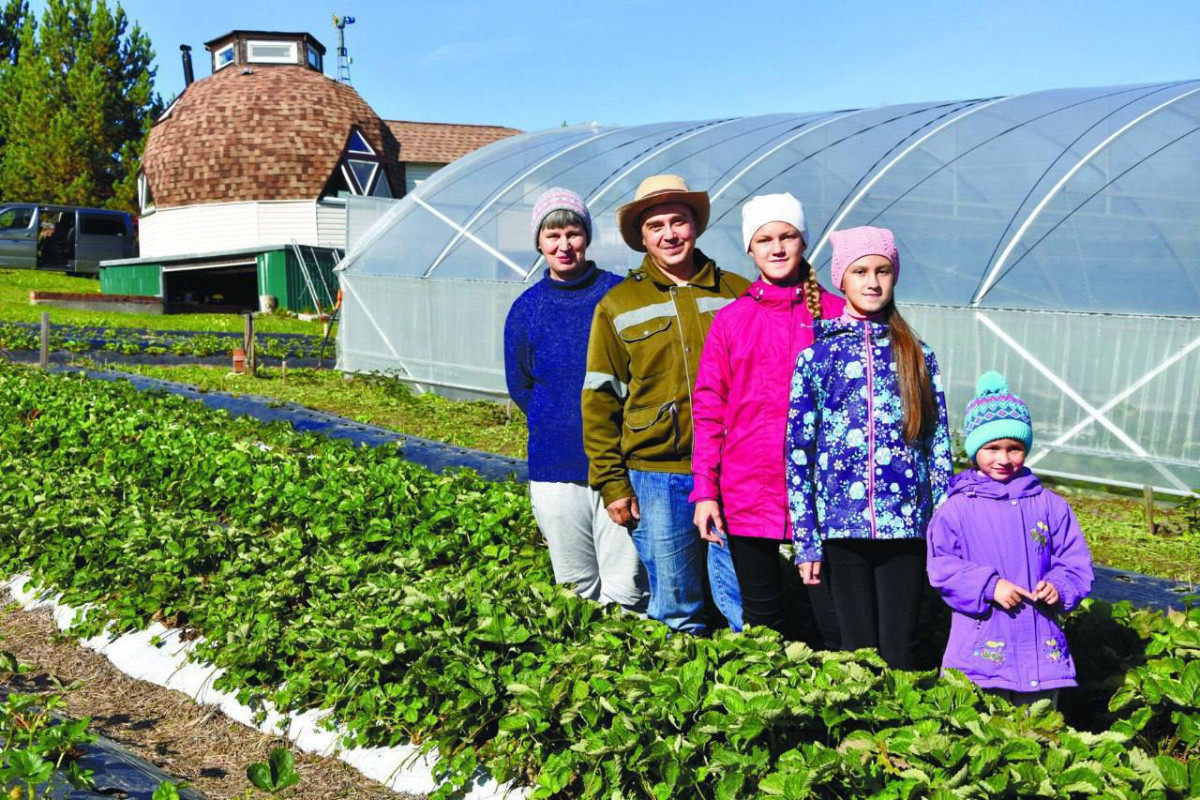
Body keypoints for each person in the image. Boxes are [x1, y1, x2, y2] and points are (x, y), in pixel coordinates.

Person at [582, 174, 749, 634]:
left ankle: (753, 682)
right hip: (658, 474)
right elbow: (600, 399)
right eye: (656, 226)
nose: (670, 234)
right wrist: (612, 483)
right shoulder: (618, 303)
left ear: (696, 226)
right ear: (642, 237)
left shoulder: (736, 293)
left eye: (679, 221)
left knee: (743, 596)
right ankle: (685, 688)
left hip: (732, 469)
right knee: (676, 601)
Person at [786, 225, 953, 668]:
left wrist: (942, 526)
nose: (873, 282)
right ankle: (857, 736)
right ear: (841, 279)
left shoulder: (918, 355)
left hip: (906, 529)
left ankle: (900, 730)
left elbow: (937, 447)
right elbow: (798, 454)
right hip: (841, 528)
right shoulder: (818, 357)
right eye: (860, 271)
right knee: (854, 651)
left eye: (883, 271)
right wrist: (806, 541)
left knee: (900, 651)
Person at [690, 193, 844, 641]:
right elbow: (709, 410)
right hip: (747, 487)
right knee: (763, 618)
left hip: (822, 492)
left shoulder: (836, 315)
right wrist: (706, 491)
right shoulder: (732, 320)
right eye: (765, 240)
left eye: (787, 237)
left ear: (803, 242)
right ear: (750, 250)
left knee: (830, 616)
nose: (777, 249)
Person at [504, 187, 647, 611]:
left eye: (573, 233)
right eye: (553, 237)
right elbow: (521, 385)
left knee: (628, 584)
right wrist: (560, 419)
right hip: (555, 464)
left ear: (586, 237)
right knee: (575, 585)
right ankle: (585, 662)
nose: (564, 246)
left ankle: (631, 666)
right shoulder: (527, 309)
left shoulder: (620, 296)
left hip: (621, 462)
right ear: (539, 244)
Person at [927, 372, 1094, 706]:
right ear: (974, 449)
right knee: (979, 734)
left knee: (1039, 731)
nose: (1003, 459)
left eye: (1014, 448)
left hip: (1040, 651)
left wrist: (1059, 584)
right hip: (980, 648)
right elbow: (942, 566)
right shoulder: (957, 508)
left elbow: (1075, 563)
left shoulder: (1050, 506)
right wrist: (990, 587)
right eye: (991, 448)